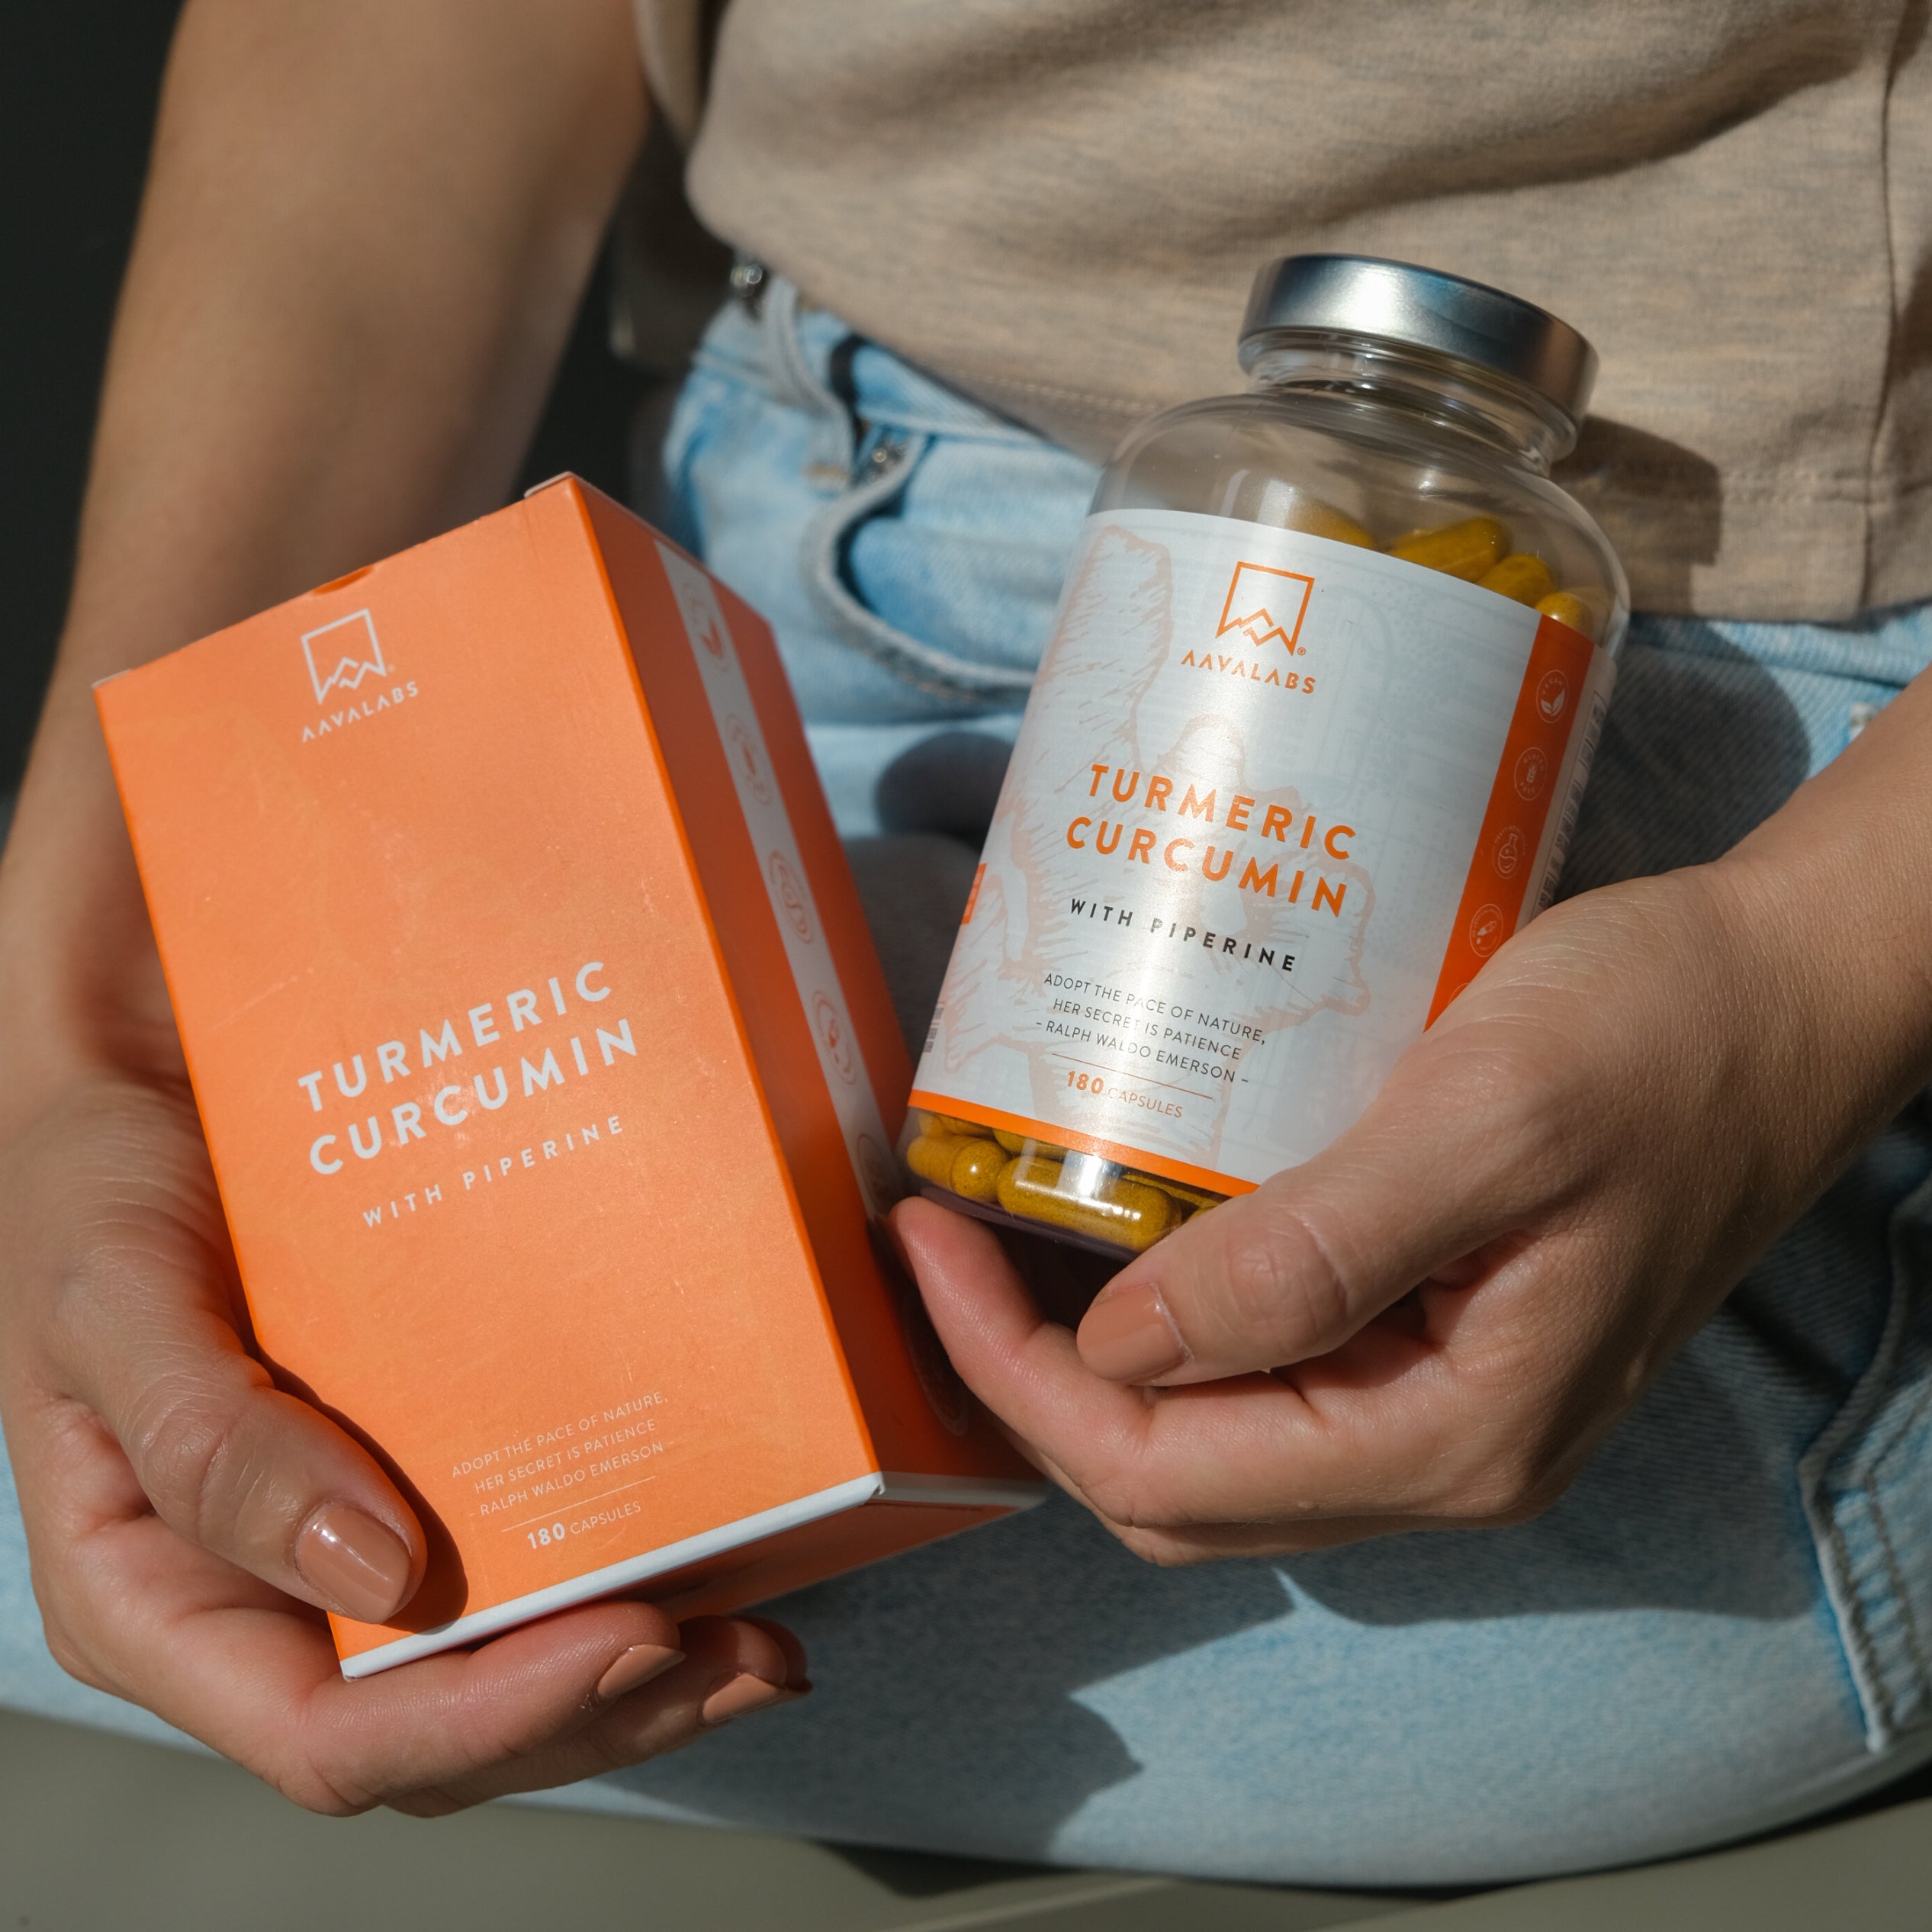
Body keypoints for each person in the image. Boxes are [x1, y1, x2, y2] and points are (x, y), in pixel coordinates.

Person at [2, 0, 1930, 1886]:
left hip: (1712, 829)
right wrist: (103, 1005)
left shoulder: (1547, 573)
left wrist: (1795, 991)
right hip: (718, 593)